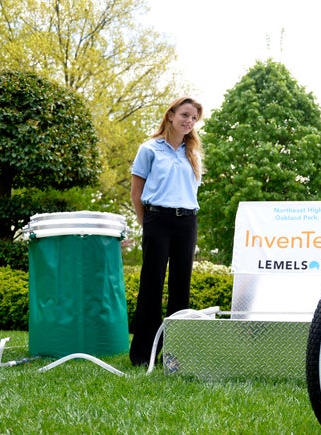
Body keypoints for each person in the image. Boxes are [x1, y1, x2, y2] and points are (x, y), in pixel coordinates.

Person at [128, 97, 204, 366]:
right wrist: (145, 223)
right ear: (170, 115)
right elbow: (136, 193)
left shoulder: (192, 154)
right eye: (185, 115)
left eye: (194, 118)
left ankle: (175, 355)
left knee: (180, 289)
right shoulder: (149, 149)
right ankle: (141, 355)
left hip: (187, 223)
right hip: (157, 220)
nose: (189, 121)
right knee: (151, 286)